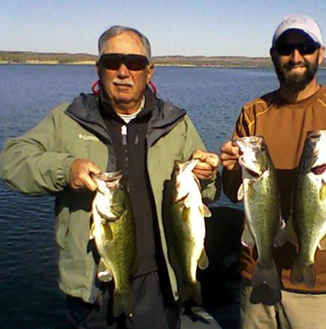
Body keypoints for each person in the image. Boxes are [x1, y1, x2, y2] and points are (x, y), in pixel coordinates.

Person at [0, 26, 220, 329]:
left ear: (150, 71)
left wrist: (207, 177)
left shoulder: (175, 124)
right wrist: (66, 170)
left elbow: (206, 195)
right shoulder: (68, 119)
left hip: (157, 286)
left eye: (135, 63)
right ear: (99, 68)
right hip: (91, 289)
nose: (123, 71)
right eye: (113, 62)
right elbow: (10, 161)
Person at [220, 14, 326, 329]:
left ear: (320, 52)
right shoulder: (252, 113)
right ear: (274, 55)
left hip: (317, 285)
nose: (296, 56)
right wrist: (230, 168)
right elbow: (234, 193)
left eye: (306, 46)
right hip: (256, 274)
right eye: (287, 48)